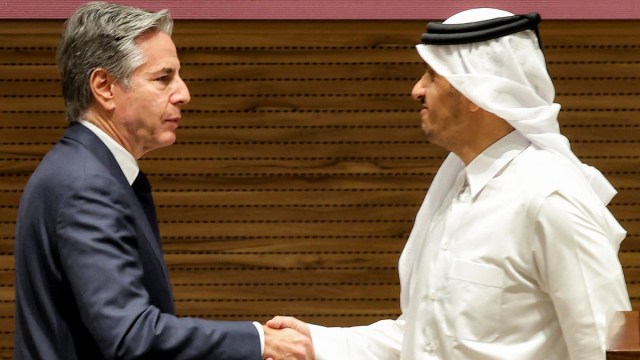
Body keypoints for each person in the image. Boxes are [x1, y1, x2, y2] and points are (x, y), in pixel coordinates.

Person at [267, 8, 631, 360]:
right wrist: (316, 343)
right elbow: (423, 340)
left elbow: (603, 346)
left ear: (476, 91)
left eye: (431, 75)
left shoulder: (548, 197)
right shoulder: (455, 190)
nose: (417, 90)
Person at [13, 2, 312, 359]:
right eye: (162, 78)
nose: (183, 94)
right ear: (104, 86)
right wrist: (261, 341)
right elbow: (129, 335)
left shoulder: (86, 169)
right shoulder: (86, 184)